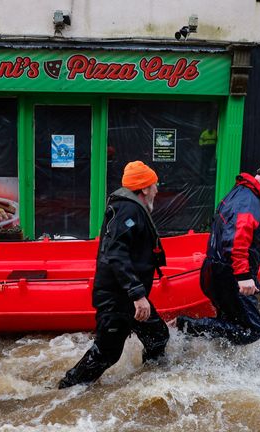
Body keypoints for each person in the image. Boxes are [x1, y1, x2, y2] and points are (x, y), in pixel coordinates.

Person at [58, 161, 169, 389]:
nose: (157, 189)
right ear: (145, 188)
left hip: (128, 297)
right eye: (155, 184)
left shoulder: (132, 208)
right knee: (107, 353)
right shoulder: (127, 210)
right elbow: (115, 253)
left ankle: (151, 383)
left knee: (158, 336)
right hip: (118, 298)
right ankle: (66, 390)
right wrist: (138, 294)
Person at [175, 164, 260, 344]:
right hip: (230, 274)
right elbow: (236, 239)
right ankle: (184, 325)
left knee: (230, 323)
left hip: (216, 270)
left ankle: (213, 361)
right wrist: (243, 276)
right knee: (251, 330)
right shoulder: (249, 200)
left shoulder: (240, 192)